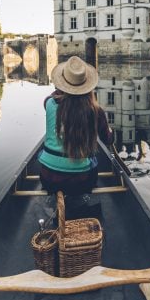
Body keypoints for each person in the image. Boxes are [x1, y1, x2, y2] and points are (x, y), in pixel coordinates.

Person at [39, 56, 113, 196]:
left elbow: (54, 98)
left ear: (61, 84)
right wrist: (110, 132)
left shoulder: (48, 103)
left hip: (48, 180)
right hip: (82, 182)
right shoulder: (96, 111)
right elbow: (108, 140)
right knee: (92, 163)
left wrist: (60, 89)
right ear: (87, 86)